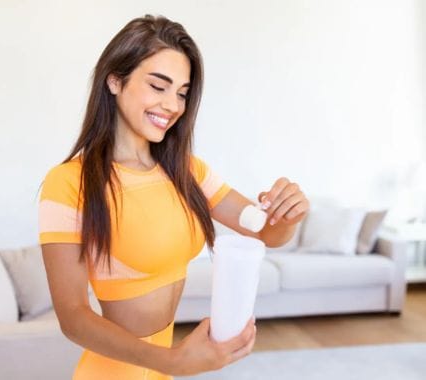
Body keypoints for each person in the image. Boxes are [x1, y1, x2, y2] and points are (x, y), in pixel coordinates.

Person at [38, 14, 309, 379]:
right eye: (158, 86)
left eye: (182, 92)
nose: (172, 105)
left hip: (162, 367)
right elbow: (72, 318)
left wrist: (287, 214)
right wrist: (172, 361)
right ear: (115, 80)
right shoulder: (69, 183)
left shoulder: (188, 172)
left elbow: (266, 232)